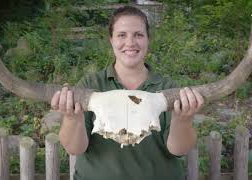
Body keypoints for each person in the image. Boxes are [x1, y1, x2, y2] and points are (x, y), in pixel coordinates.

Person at [51, 6, 204, 180]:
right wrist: (72, 119)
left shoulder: (167, 86)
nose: (130, 42)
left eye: (138, 35)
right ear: (111, 40)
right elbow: (74, 148)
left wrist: (183, 120)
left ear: (148, 40)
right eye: (121, 35)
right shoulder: (90, 85)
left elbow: (179, 149)